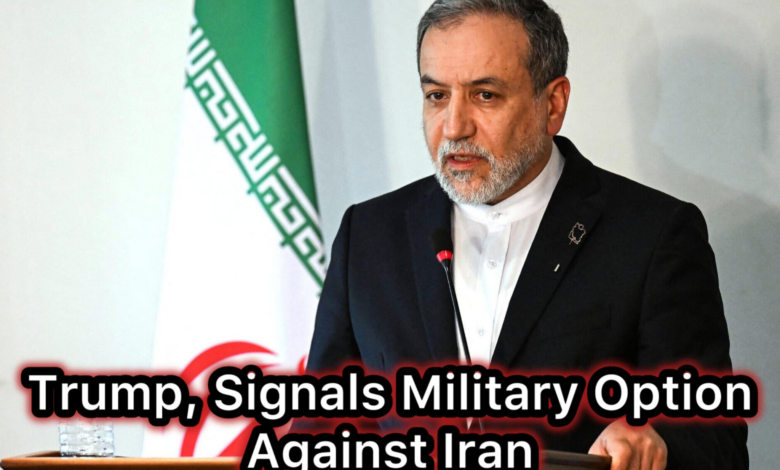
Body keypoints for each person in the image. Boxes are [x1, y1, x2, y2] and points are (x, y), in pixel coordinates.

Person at [306, 1, 748, 469]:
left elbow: (715, 441)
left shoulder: (652, 234)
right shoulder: (369, 235)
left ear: (552, 103)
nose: (454, 127)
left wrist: (653, 441)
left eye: (485, 95)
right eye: (436, 95)